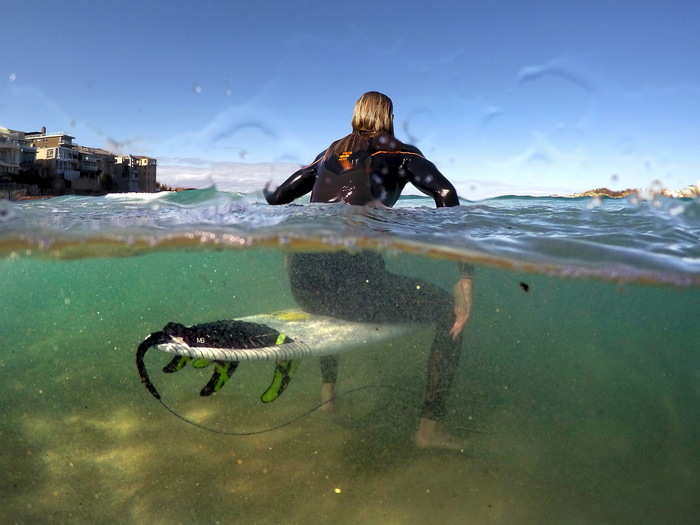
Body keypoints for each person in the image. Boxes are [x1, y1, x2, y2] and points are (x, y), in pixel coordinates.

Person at [264, 91, 473, 450]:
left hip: (306, 288)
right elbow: (446, 193)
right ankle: (429, 429)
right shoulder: (400, 153)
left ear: (355, 114)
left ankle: (328, 396)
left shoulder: (328, 153)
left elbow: (277, 197)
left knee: (344, 274)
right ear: (388, 117)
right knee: (447, 312)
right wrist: (464, 273)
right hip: (356, 290)